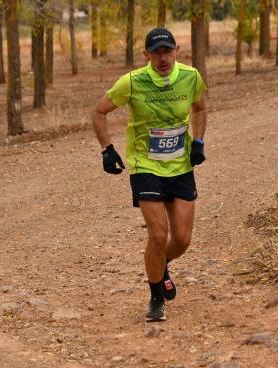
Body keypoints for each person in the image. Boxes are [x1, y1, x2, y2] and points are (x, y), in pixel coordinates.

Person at [92, 28, 207, 322]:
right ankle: (156, 297)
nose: (163, 57)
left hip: (180, 166)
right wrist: (107, 149)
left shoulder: (191, 77)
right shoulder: (132, 82)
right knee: (158, 235)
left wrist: (199, 141)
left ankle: (161, 264)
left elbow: (200, 107)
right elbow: (99, 111)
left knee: (181, 239)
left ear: (177, 50)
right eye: (156, 53)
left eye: (167, 51)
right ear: (146, 55)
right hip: (145, 166)